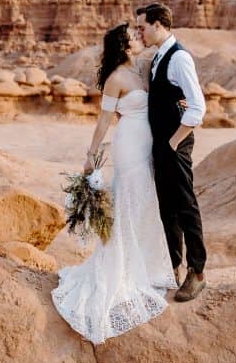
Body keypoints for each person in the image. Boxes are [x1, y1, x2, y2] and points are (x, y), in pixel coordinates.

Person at [51, 22, 176, 344]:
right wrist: (90, 155)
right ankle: (121, 270)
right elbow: (104, 120)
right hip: (129, 145)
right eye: (133, 36)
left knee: (144, 203)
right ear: (123, 45)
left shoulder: (142, 69)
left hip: (147, 143)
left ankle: (144, 265)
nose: (138, 37)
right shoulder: (116, 78)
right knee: (128, 201)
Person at [135, 2, 207, 301]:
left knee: (185, 205)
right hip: (162, 144)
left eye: (142, 27)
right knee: (167, 208)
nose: (139, 33)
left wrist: (174, 142)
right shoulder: (158, 56)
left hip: (175, 144)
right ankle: (173, 267)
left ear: (158, 25)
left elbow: (197, 107)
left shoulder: (179, 58)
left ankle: (197, 272)